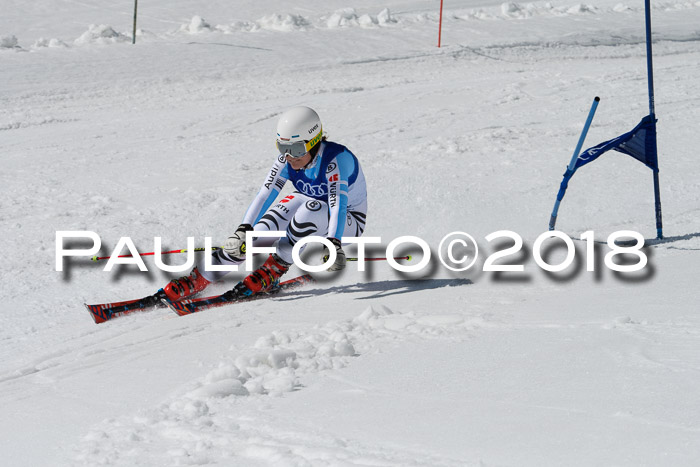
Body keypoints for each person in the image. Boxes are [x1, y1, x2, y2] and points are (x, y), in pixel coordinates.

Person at [162, 106, 367, 300]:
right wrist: (243, 230)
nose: (289, 156)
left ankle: (274, 268)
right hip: (311, 202)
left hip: (348, 222)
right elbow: (264, 195)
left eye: (295, 149)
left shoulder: (336, 160)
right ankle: (202, 276)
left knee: (308, 211)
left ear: (313, 142)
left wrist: (334, 243)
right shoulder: (287, 160)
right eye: (283, 147)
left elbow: (337, 204)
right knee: (257, 234)